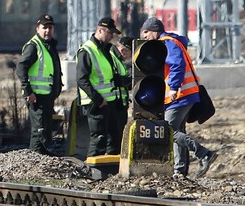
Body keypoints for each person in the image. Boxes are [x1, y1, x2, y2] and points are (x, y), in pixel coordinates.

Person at [140, 16, 219, 177]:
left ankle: (204, 154)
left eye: (146, 33)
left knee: (168, 131)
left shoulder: (168, 43)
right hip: (184, 94)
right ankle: (180, 170)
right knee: (178, 131)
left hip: (181, 94)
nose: (145, 37)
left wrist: (174, 87)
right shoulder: (171, 42)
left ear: (155, 31)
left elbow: (177, 65)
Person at [75, 17, 132, 157]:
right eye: (110, 32)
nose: (112, 36)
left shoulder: (105, 50)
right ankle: (92, 173)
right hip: (97, 104)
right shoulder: (87, 50)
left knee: (114, 140)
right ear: (100, 30)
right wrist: (98, 99)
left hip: (109, 103)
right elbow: (82, 79)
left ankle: (110, 172)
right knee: (99, 140)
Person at [16, 14, 63, 154]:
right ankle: (37, 158)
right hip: (36, 96)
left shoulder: (48, 46)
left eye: (50, 27)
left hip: (47, 96)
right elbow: (21, 67)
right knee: (39, 130)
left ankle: (42, 159)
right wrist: (27, 90)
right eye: (44, 28)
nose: (47, 31)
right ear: (37, 29)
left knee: (45, 129)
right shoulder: (34, 46)